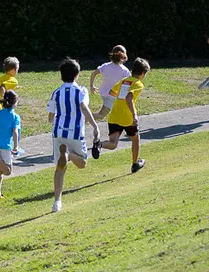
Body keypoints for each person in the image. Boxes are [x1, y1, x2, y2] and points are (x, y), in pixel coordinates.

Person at [47, 59, 100, 213]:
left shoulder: (56, 92)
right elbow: (83, 107)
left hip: (58, 132)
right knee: (82, 163)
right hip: (75, 132)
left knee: (60, 168)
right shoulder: (81, 91)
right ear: (77, 75)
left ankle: (57, 202)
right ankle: (69, 155)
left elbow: (50, 118)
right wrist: (95, 126)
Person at [92, 58, 151, 174]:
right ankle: (135, 164)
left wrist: (120, 98)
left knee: (113, 143)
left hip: (115, 115)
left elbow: (112, 92)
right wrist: (134, 115)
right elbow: (129, 97)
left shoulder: (124, 80)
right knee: (135, 138)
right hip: (127, 117)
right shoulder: (138, 84)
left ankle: (99, 144)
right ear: (143, 73)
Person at [0, 90, 21, 200]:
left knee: (0, 170)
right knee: (8, 171)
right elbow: (15, 132)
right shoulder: (15, 116)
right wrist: (16, 146)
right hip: (5, 145)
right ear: (15, 103)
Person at [0, 57, 22, 162]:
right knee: (15, 128)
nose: (17, 71)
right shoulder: (13, 80)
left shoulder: (2, 77)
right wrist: (5, 97)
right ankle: (14, 149)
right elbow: (2, 87)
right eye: (17, 69)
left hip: (0, 108)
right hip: (8, 108)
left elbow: (2, 85)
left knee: (1, 129)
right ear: (13, 70)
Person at [90, 45, 130, 120]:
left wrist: (91, 86)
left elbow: (93, 73)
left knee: (117, 112)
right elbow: (129, 84)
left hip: (103, 93)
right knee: (101, 115)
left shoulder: (105, 66)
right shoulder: (125, 70)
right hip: (112, 96)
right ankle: (81, 118)